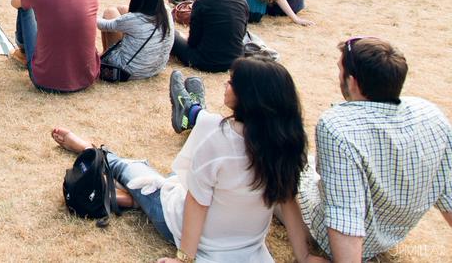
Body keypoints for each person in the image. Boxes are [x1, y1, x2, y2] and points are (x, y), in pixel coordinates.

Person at [52, 56, 310, 262]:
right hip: (241, 241)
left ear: (250, 97)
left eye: (232, 82)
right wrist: (305, 255)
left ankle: (93, 150)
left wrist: (184, 258)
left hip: (184, 224)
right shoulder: (285, 144)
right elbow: (289, 201)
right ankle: (136, 191)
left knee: (134, 171)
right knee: (162, 177)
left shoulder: (219, 137)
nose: (225, 84)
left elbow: (196, 204)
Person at [279, 37, 452, 262]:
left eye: (340, 70)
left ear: (352, 82)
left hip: (334, 239)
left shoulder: (338, 127)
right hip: (390, 234)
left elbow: (345, 214)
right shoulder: (430, 114)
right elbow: (448, 193)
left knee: (279, 172)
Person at [11, 0, 98, 92]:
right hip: (86, 77)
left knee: (23, 6)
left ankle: (22, 52)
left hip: (45, 79)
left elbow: (14, 2)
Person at [171, 0, 248, 73]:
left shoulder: (202, 3)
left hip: (204, 61)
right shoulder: (241, 1)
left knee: (172, 34)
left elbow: (193, 41)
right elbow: (242, 33)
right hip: (235, 60)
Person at [96, 0, 174, 80]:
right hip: (157, 68)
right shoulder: (166, 11)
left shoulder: (135, 19)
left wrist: (89, 11)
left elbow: (102, 25)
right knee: (122, 8)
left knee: (110, 12)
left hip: (128, 70)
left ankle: (106, 54)